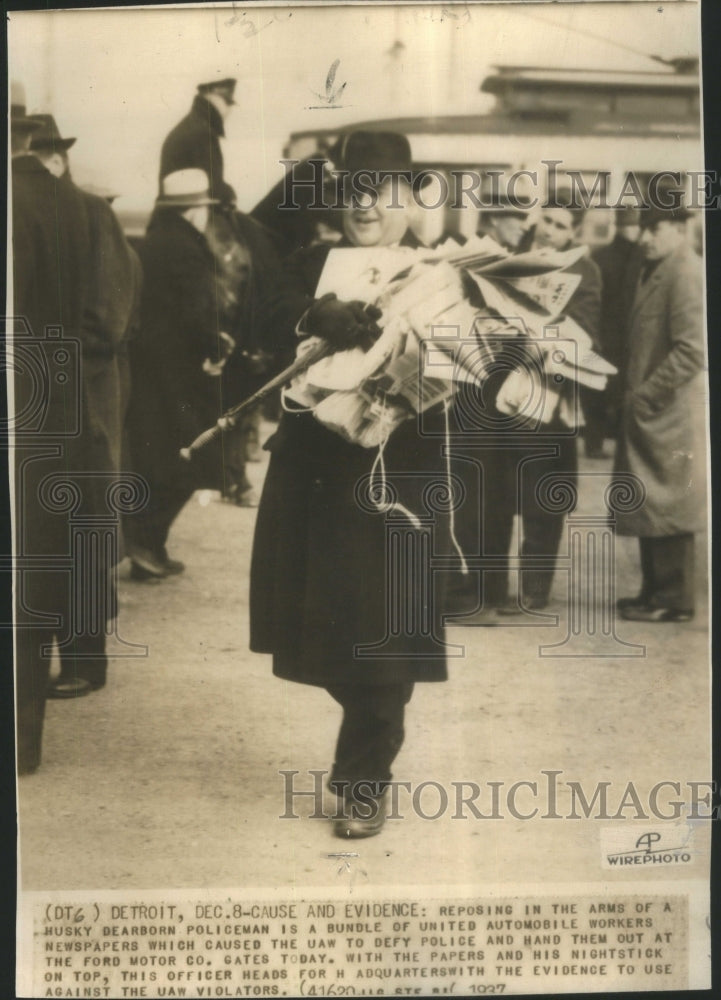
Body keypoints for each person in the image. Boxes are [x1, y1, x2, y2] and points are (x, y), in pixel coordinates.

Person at [249, 131, 450, 838]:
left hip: (396, 473)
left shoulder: (443, 272)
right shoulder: (312, 261)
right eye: (352, 189)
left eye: (383, 189)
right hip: (312, 469)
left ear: (409, 195)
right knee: (318, 624)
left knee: (383, 631)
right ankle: (365, 740)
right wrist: (312, 315)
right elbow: (255, 294)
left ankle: (365, 779)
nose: (365, 205)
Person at [27, 113, 143, 696]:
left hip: (85, 396)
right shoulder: (41, 213)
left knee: (83, 523)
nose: (43, 162)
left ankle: (84, 661)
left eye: (48, 152)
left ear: (61, 158)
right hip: (49, 397)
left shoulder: (91, 215)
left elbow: (106, 318)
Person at [124, 169, 236, 578]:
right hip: (179, 372)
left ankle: (149, 548)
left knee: (157, 458)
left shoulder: (152, 242)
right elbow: (196, 310)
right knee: (194, 455)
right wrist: (217, 344)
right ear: (193, 210)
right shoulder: (187, 249)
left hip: (148, 367)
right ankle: (144, 540)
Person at [613, 205, 705, 622]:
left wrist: (646, 395)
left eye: (657, 228)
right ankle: (653, 593)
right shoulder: (659, 267)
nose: (646, 236)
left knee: (669, 503)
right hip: (653, 411)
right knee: (652, 503)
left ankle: (675, 600)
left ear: (681, 228)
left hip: (667, 411)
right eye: (643, 228)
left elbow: (693, 350)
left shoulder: (686, 271)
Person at [590, 205, 643, 456]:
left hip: (604, 333)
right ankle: (624, 444)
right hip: (628, 334)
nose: (635, 230)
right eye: (632, 225)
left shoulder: (600, 256)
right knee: (625, 389)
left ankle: (594, 443)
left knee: (599, 389)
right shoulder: (641, 258)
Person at [159, 77, 238, 204]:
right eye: (228, 101)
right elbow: (214, 189)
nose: (229, 110)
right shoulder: (202, 133)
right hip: (189, 215)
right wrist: (230, 194)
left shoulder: (193, 125)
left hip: (175, 213)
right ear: (213, 92)